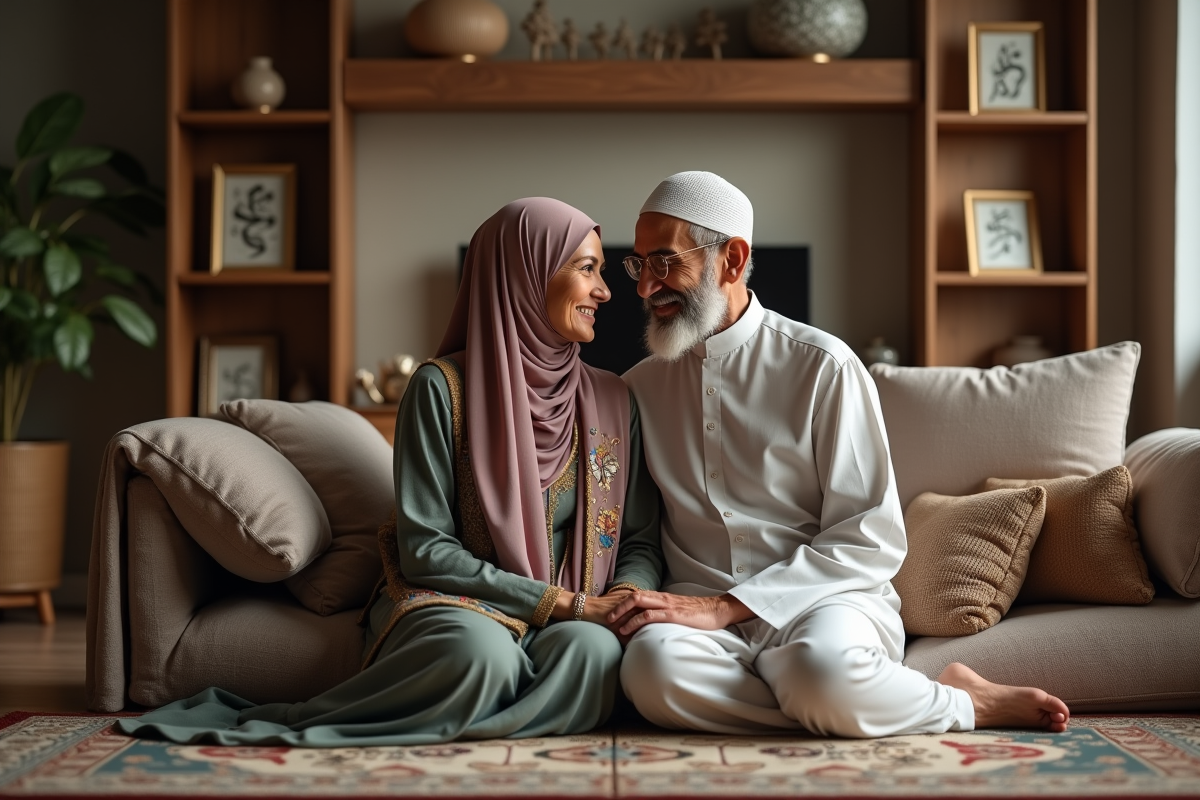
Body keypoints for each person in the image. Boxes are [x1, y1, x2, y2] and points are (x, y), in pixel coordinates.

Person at [118, 197, 663, 746]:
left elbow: (639, 539)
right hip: (458, 600)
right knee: (479, 656)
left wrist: (624, 601)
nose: (604, 291)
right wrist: (561, 603)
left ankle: (470, 731)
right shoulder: (441, 389)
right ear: (523, 273)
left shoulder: (614, 398)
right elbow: (425, 548)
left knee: (595, 655)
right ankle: (495, 722)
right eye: (586, 268)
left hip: (579, 608)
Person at [608, 171, 1071, 738]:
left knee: (819, 668)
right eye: (638, 265)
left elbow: (870, 537)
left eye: (664, 262)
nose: (643, 288)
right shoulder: (635, 389)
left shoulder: (824, 367)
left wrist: (731, 607)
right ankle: (834, 699)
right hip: (694, 611)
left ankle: (961, 702)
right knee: (650, 673)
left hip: (822, 604)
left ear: (731, 260)